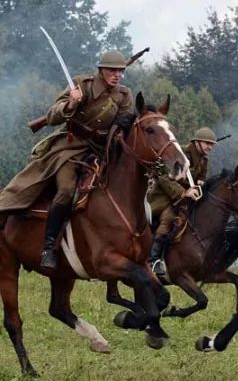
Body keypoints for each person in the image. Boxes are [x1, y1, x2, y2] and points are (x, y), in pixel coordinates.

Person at [0, 50, 134, 268]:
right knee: (66, 190)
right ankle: (48, 247)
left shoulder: (123, 95)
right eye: (112, 70)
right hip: (70, 148)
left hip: (101, 152)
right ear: (101, 71)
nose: (117, 75)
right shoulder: (83, 84)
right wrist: (71, 104)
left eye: (120, 71)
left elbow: (123, 125)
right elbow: (53, 114)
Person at [147, 127, 217, 278]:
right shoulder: (181, 154)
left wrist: (201, 183)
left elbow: (202, 176)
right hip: (165, 195)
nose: (210, 147)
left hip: (188, 198)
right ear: (197, 142)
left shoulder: (204, 159)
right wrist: (183, 192)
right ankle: (153, 260)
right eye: (207, 143)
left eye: (212, 145)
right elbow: (164, 177)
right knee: (169, 218)